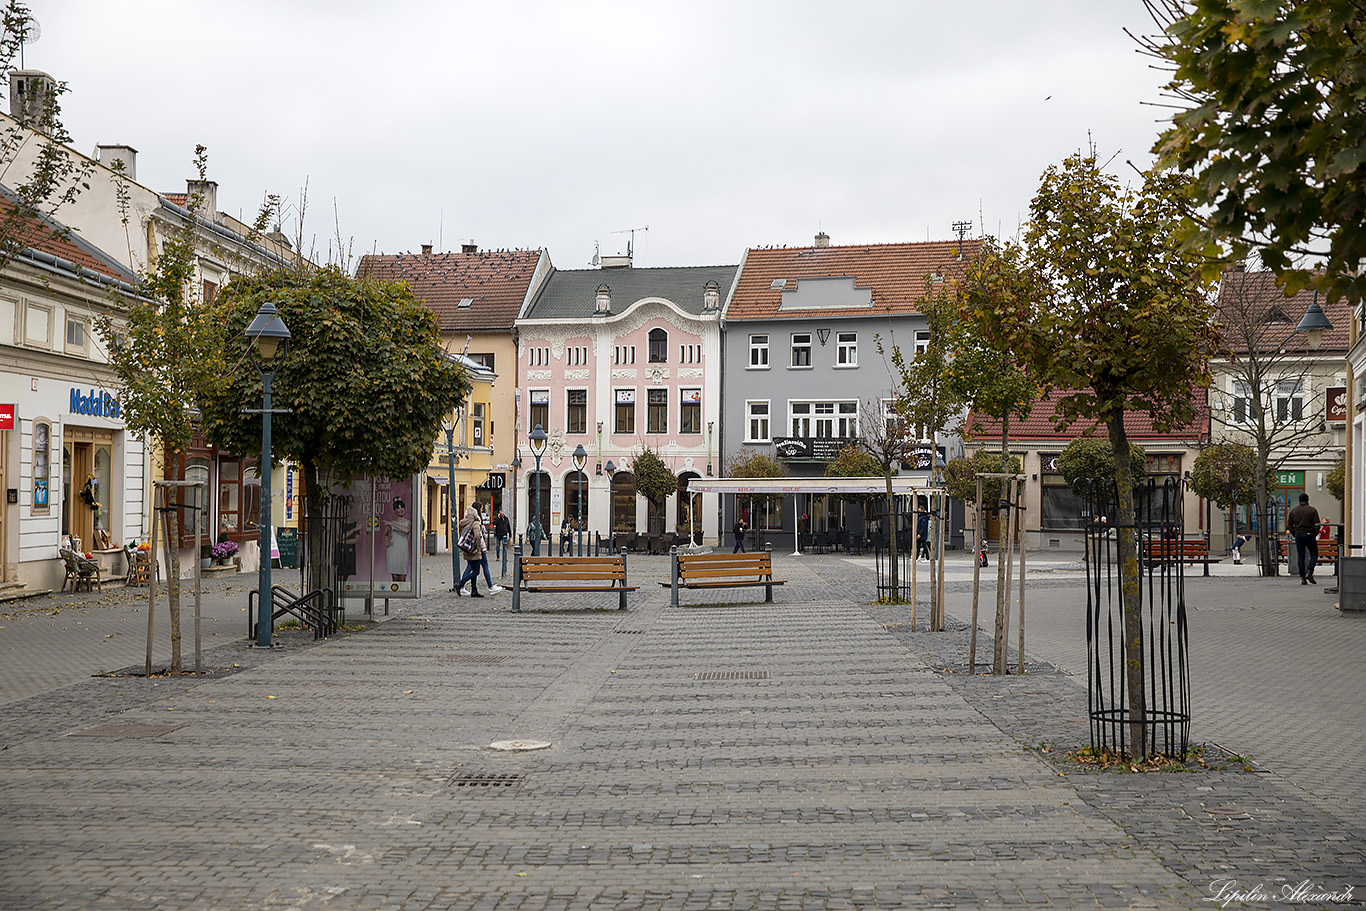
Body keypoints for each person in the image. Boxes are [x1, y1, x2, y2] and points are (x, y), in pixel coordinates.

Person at [1287, 493, 1322, 585]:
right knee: (1314, 553)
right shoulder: (1312, 510)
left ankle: (1303, 577)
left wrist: (1294, 533)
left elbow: (1289, 525)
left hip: (1298, 534)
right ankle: (1310, 571)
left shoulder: (1294, 511)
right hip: (1309, 534)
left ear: (1299, 500)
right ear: (1308, 500)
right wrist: (1314, 533)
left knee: (1301, 556)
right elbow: (1317, 524)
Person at [457, 505, 489, 597]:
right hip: (474, 550)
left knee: (473, 569)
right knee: (476, 571)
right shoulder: (475, 524)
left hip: (467, 549)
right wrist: (479, 549)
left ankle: (474, 590)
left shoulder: (465, 523)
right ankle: (460, 583)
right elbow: (478, 536)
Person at [385, 497, 411, 582]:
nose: (400, 510)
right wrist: (387, 543)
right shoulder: (391, 523)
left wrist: (393, 524)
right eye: (398, 508)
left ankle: (403, 595)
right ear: (394, 510)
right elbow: (385, 535)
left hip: (403, 551)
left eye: (402, 507)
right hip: (393, 551)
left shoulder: (409, 522)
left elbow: (407, 530)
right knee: (395, 578)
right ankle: (394, 595)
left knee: (402, 578)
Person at [493, 509, 511, 573]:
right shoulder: (497, 519)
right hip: (498, 534)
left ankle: (504, 556)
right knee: (497, 546)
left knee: (504, 547)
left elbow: (508, 526)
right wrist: (498, 518)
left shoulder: (506, 519)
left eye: (503, 514)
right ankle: (498, 556)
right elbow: (494, 523)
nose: (502, 515)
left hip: (504, 535)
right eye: (501, 514)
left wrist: (510, 534)